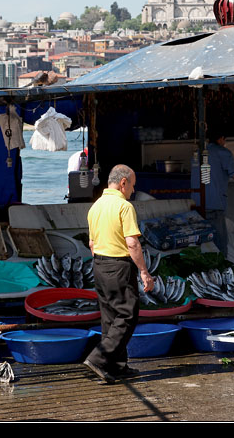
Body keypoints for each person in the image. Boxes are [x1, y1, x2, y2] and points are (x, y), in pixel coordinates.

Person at [83, 164, 154, 384]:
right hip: (118, 265)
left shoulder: (95, 207)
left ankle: (116, 366)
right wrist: (144, 271)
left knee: (110, 318)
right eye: (132, 185)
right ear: (123, 183)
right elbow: (132, 243)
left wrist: (102, 261)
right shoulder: (124, 206)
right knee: (128, 314)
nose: (133, 190)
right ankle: (98, 359)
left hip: (99, 264)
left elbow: (92, 244)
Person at [191, 127, 234, 255]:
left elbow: (205, 175)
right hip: (214, 205)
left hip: (196, 204)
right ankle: (220, 271)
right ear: (221, 139)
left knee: (199, 244)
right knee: (220, 244)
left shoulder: (197, 153)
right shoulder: (223, 152)